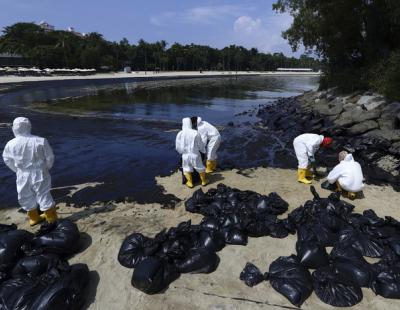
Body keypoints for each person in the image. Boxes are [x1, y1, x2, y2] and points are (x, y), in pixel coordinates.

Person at [2, 117, 58, 226]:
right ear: (29, 126)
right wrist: (46, 168)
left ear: (14, 128)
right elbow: (50, 157)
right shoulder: (40, 140)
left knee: (25, 194)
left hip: (22, 173)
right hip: (40, 172)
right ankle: (51, 218)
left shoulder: (10, 144)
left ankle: (34, 218)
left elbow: (7, 159)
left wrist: (17, 170)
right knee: (43, 193)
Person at [176, 118, 208, 188]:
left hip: (185, 155)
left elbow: (178, 147)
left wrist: (181, 152)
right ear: (190, 123)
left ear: (183, 124)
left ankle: (190, 182)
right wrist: (203, 151)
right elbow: (200, 145)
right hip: (195, 154)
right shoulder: (195, 132)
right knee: (200, 167)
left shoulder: (180, 133)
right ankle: (203, 181)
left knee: (186, 168)